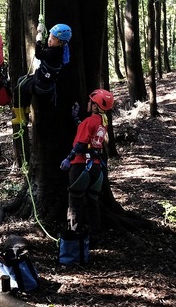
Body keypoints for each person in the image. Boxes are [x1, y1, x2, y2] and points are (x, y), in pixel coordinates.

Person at [60, 89, 113, 238]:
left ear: (96, 106)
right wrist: (76, 118)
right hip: (96, 166)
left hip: (81, 166)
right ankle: (95, 234)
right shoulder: (103, 121)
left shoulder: (89, 121)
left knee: (75, 202)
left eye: (91, 102)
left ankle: (74, 236)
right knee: (92, 201)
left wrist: (68, 158)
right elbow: (87, 130)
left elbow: (81, 144)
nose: (88, 103)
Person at [11, 23, 72, 128]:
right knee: (22, 80)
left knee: (18, 88)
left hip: (40, 85)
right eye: (50, 36)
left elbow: (39, 54)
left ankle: (20, 117)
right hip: (43, 82)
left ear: (61, 42)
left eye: (53, 39)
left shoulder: (53, 53)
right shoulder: (61, 50)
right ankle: (25, 110)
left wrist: (38, 38)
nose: (49, 40)